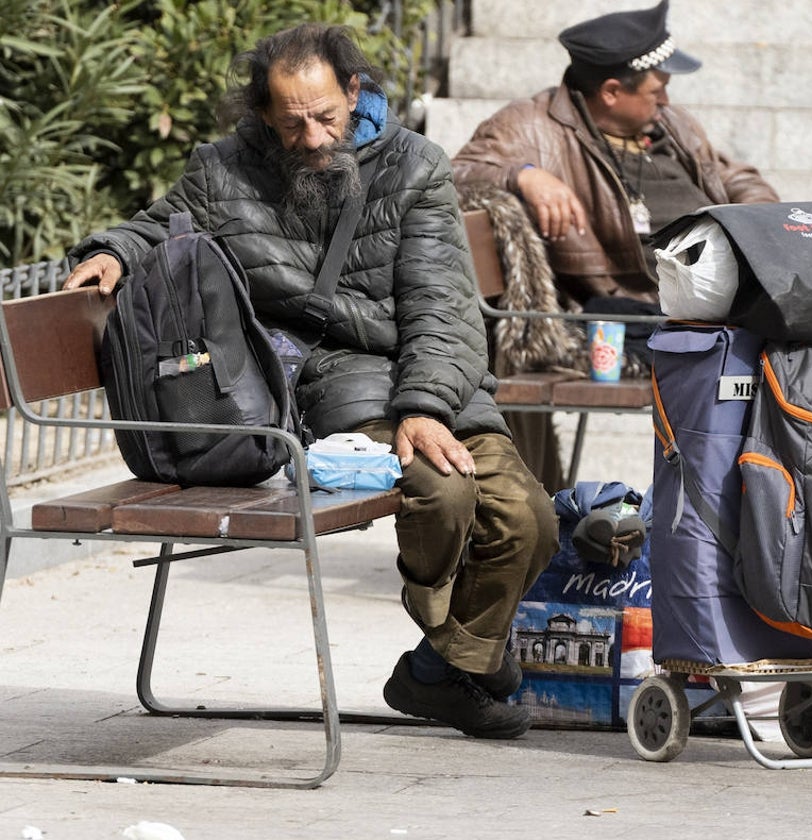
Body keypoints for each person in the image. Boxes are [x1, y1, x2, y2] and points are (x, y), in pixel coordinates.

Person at [63, 23, 558, 739]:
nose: (316, 135)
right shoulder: (222, 171)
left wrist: (423, 405)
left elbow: (440, 305)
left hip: (434, 377)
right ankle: (458, 666)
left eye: (327, 115)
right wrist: (113, 251)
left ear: (354, 91)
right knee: (444, 492)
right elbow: (161, 224)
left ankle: (439, 667)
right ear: (263, 113)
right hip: (329, 384)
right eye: (293, 122)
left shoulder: (415, 165)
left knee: (529, 518)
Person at [450, 1, 812, 594]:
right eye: (656, 87)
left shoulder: (668, 125)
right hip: (651, 302)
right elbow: (458, 170)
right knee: (811, 355)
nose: (666, 99)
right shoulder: (533, 124)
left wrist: (769, 220)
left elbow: (733, 172)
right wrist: (524, 175)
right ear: (612, 91)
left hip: (736, 274)